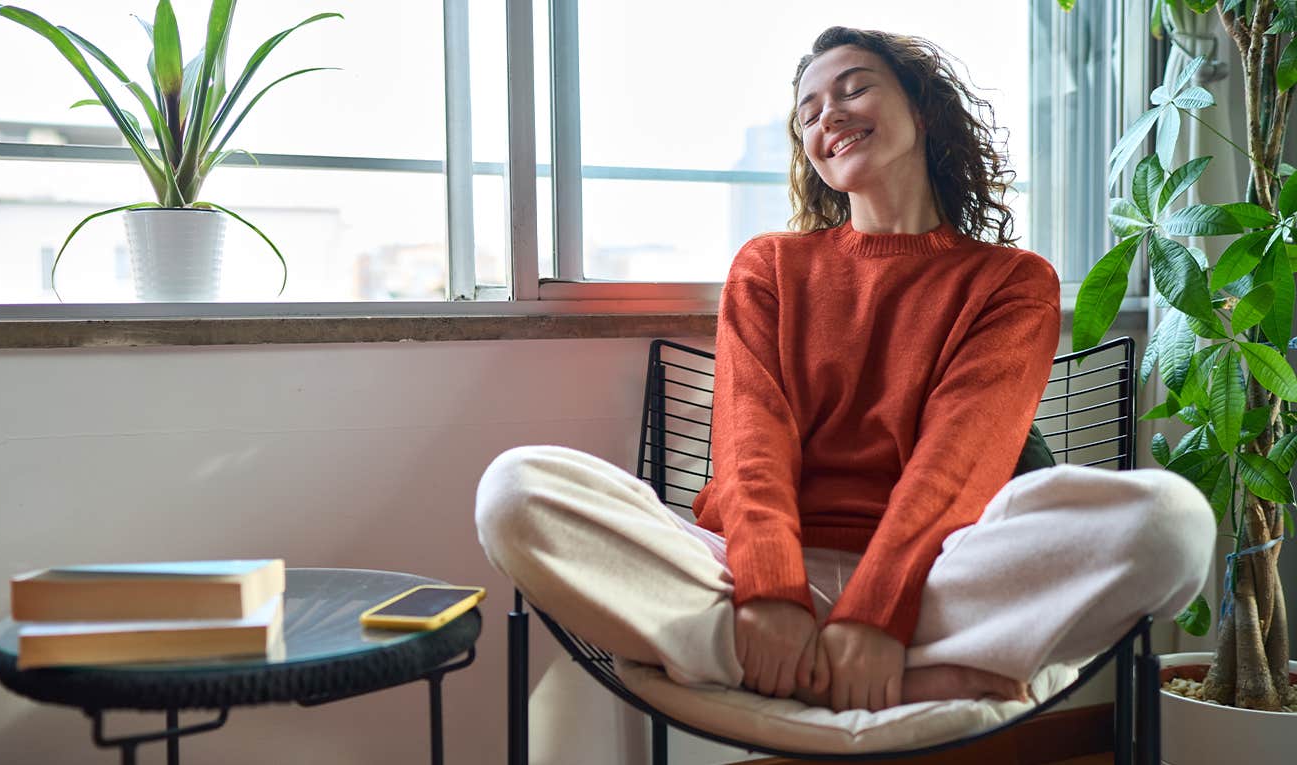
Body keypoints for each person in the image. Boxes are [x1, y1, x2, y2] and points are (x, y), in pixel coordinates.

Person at [475, 26, 1215, 716]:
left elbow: (960, 461)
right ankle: (910, 675)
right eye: (808, 112)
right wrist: (771, 592)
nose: (829, 113)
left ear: (922, 110)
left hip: (934, 579)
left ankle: (752, 663)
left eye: (854, 87)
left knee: (1173, 522)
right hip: (743, 580)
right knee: (515, 487)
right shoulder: (770, 265)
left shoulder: (1011, 281)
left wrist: (875, 610)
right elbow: (750, 443)